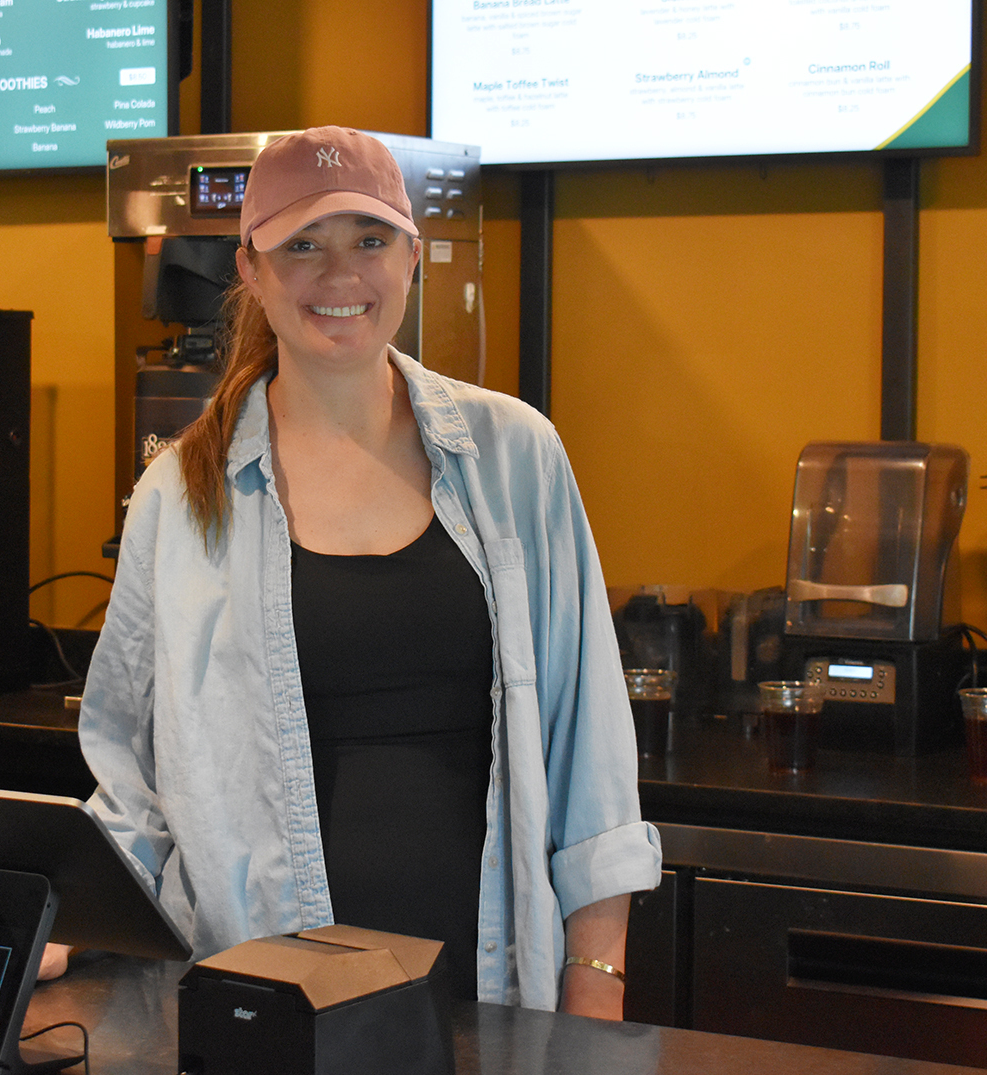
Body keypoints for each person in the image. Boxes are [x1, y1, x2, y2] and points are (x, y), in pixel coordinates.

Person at [72, 126, 661, 1017]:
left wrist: (596, 981)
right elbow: (130, 775)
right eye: (302, 245)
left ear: (414, 259)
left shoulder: (515, 457)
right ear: (252, 270)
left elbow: (593, 748)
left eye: (369, 241)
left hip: (491, 992)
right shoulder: (181, 492)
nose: (338, 276)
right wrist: (60, 920)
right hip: (263, 996)